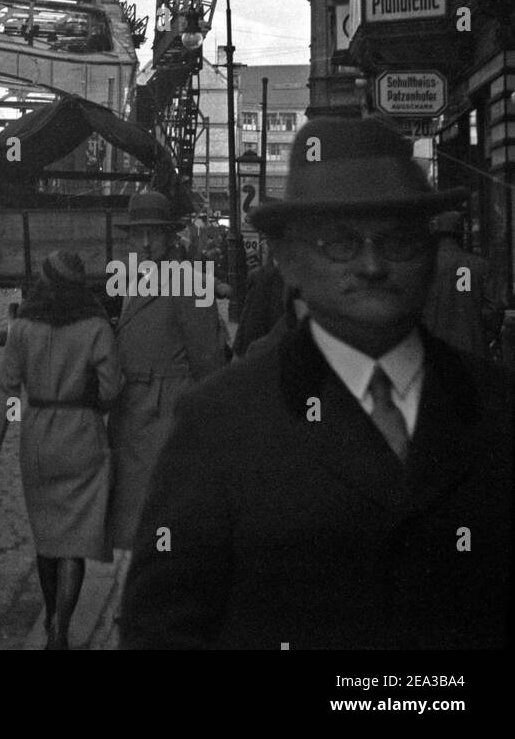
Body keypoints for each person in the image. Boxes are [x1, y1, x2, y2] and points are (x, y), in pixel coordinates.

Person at [120, 118, 512, 649]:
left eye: (398, 241)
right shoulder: (219, 424)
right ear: (289, 262)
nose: (372, 265)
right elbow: (164, 629)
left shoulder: (499, 409)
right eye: (339, 243)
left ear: (430, 252)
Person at [0, 252, 121, 649]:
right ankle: (61, 624)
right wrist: (94, 403)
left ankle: (50, 613)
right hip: (83, 434)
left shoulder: (23, 327)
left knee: (47, 538)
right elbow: (112, 388)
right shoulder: (95, 327)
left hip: (38, 435)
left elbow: (7, 388)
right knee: (74, 540)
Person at [107, 192, 227, 558]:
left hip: (166, 412)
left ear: (170, 236)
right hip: (135, 409)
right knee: (141, 515)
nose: (145, 243)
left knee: (159, 512)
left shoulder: (190, 281)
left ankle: (155, 599)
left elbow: (209, 360)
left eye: (154, 234)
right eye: (138, 234)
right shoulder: (135, 276)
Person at [421, 210, 504, 359]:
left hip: (432, 353)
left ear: (435, 234)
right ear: (461, 234)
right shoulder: (480, 265)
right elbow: (495, 309)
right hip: (472, 351)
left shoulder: (423, 266)